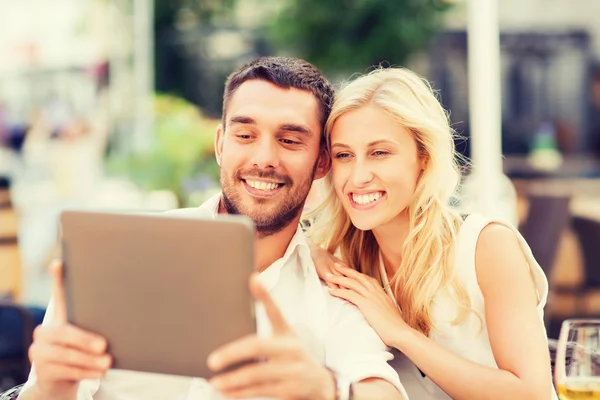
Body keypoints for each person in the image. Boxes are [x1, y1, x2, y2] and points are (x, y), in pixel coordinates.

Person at [17, 57, 407, 400]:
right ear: (221, 145)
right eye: (245, 135)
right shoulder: (116, 259)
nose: (263, 158)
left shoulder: (336, 294)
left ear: (321, 162)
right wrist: (50, 390)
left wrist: (327, 390)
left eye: (289, 140)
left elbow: (383, 390)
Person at [306, 67, 559, 400]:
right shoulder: (345, 261)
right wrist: (308, 252)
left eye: (380, 152)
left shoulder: (486, 246)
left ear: (423, 157)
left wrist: (399, 333)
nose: (359, 175)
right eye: (344, 155)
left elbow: (532, 394)